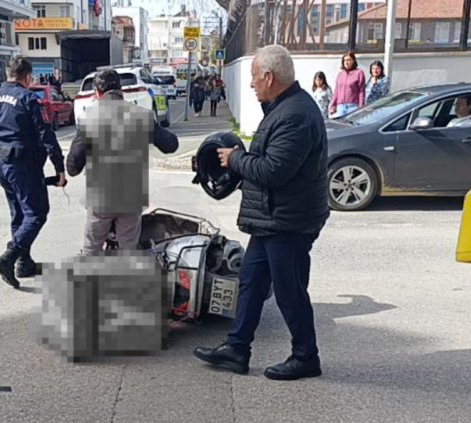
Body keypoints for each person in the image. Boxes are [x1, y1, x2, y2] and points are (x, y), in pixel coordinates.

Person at [193, 44, 330, 381]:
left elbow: (273, 170)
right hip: (272, 219)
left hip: (289, 221)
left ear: (269, 77)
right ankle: (237, 349)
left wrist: (235, 158)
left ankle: (305, 357)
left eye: (255, 77)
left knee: (289, 291)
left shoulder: (295, 113)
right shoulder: (283, 107)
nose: (252, 83)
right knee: (251, 283)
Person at [0, 57, 66, 289]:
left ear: (8, 74)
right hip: (24, 164)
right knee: (37, 213)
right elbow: (46, 135)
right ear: (28, 77)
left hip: (2, 164)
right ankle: (8, 258)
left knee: (19, 214)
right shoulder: (28, 98)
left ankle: (24, 263)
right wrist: (59, 167)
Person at [65, 69, 179, 255]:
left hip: (100, 198)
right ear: (121, 91)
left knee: (91, 249)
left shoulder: (88, 118)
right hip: (131, 197)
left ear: (97, 93)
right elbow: (171, 145)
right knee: (129, 251)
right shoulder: (142, 115)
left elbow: (73, 167)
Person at [329, 50, 365, 119]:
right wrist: (333, 106)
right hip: (341, 107)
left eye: (349, 60)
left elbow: (361, 92)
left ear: (353, 61)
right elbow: (337, 91)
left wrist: (361, 108)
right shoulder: (340, 74)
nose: (346, 62)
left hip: (353, 106)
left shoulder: (359, 73)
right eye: (344, 60)